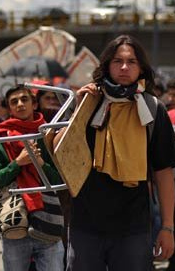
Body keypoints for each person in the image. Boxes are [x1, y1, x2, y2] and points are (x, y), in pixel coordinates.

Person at [55, 35, 175, 271]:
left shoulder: (153, 110)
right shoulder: (88, 102)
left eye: (131, 62)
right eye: (117, 61)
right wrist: (78, 113)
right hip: (85, 225)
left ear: (141, 68)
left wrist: (168, 227)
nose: (123, 67)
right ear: (106, 65)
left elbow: (164, 173)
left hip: (134, 228)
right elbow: (61, 151)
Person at [0, 85, 64, 271]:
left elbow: (61, 180)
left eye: (24, 99)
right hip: (15, 223)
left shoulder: (49, 133)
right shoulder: (0, 136)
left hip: (48, 219)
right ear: (9, 108)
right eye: (14, 102)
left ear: (34, 104)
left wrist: (40, 163)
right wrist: (18, 163)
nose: (20, 104)